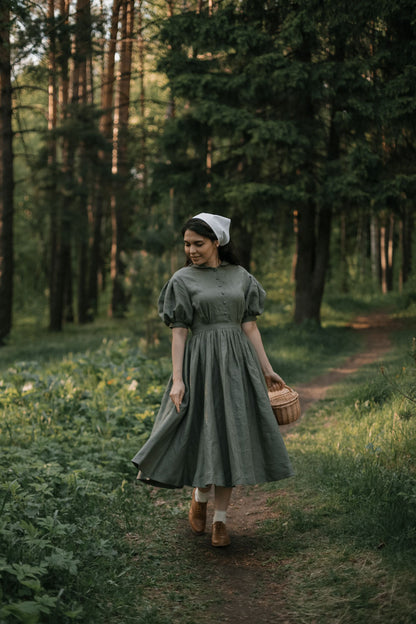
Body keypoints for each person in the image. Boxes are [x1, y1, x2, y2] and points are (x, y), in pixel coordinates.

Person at [131, 212, 294, 547]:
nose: (191, 250)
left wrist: (266, 369)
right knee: (207, 434)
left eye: (198, 243)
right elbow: (178, 333)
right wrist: (178, 379)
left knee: (231, 435)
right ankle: (200, 495)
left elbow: (249, 326)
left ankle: (220, 521)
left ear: (216, 242)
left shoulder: (240, 276)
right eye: (187, 244)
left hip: (238, 364)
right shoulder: (181, 280)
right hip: (201, 363)